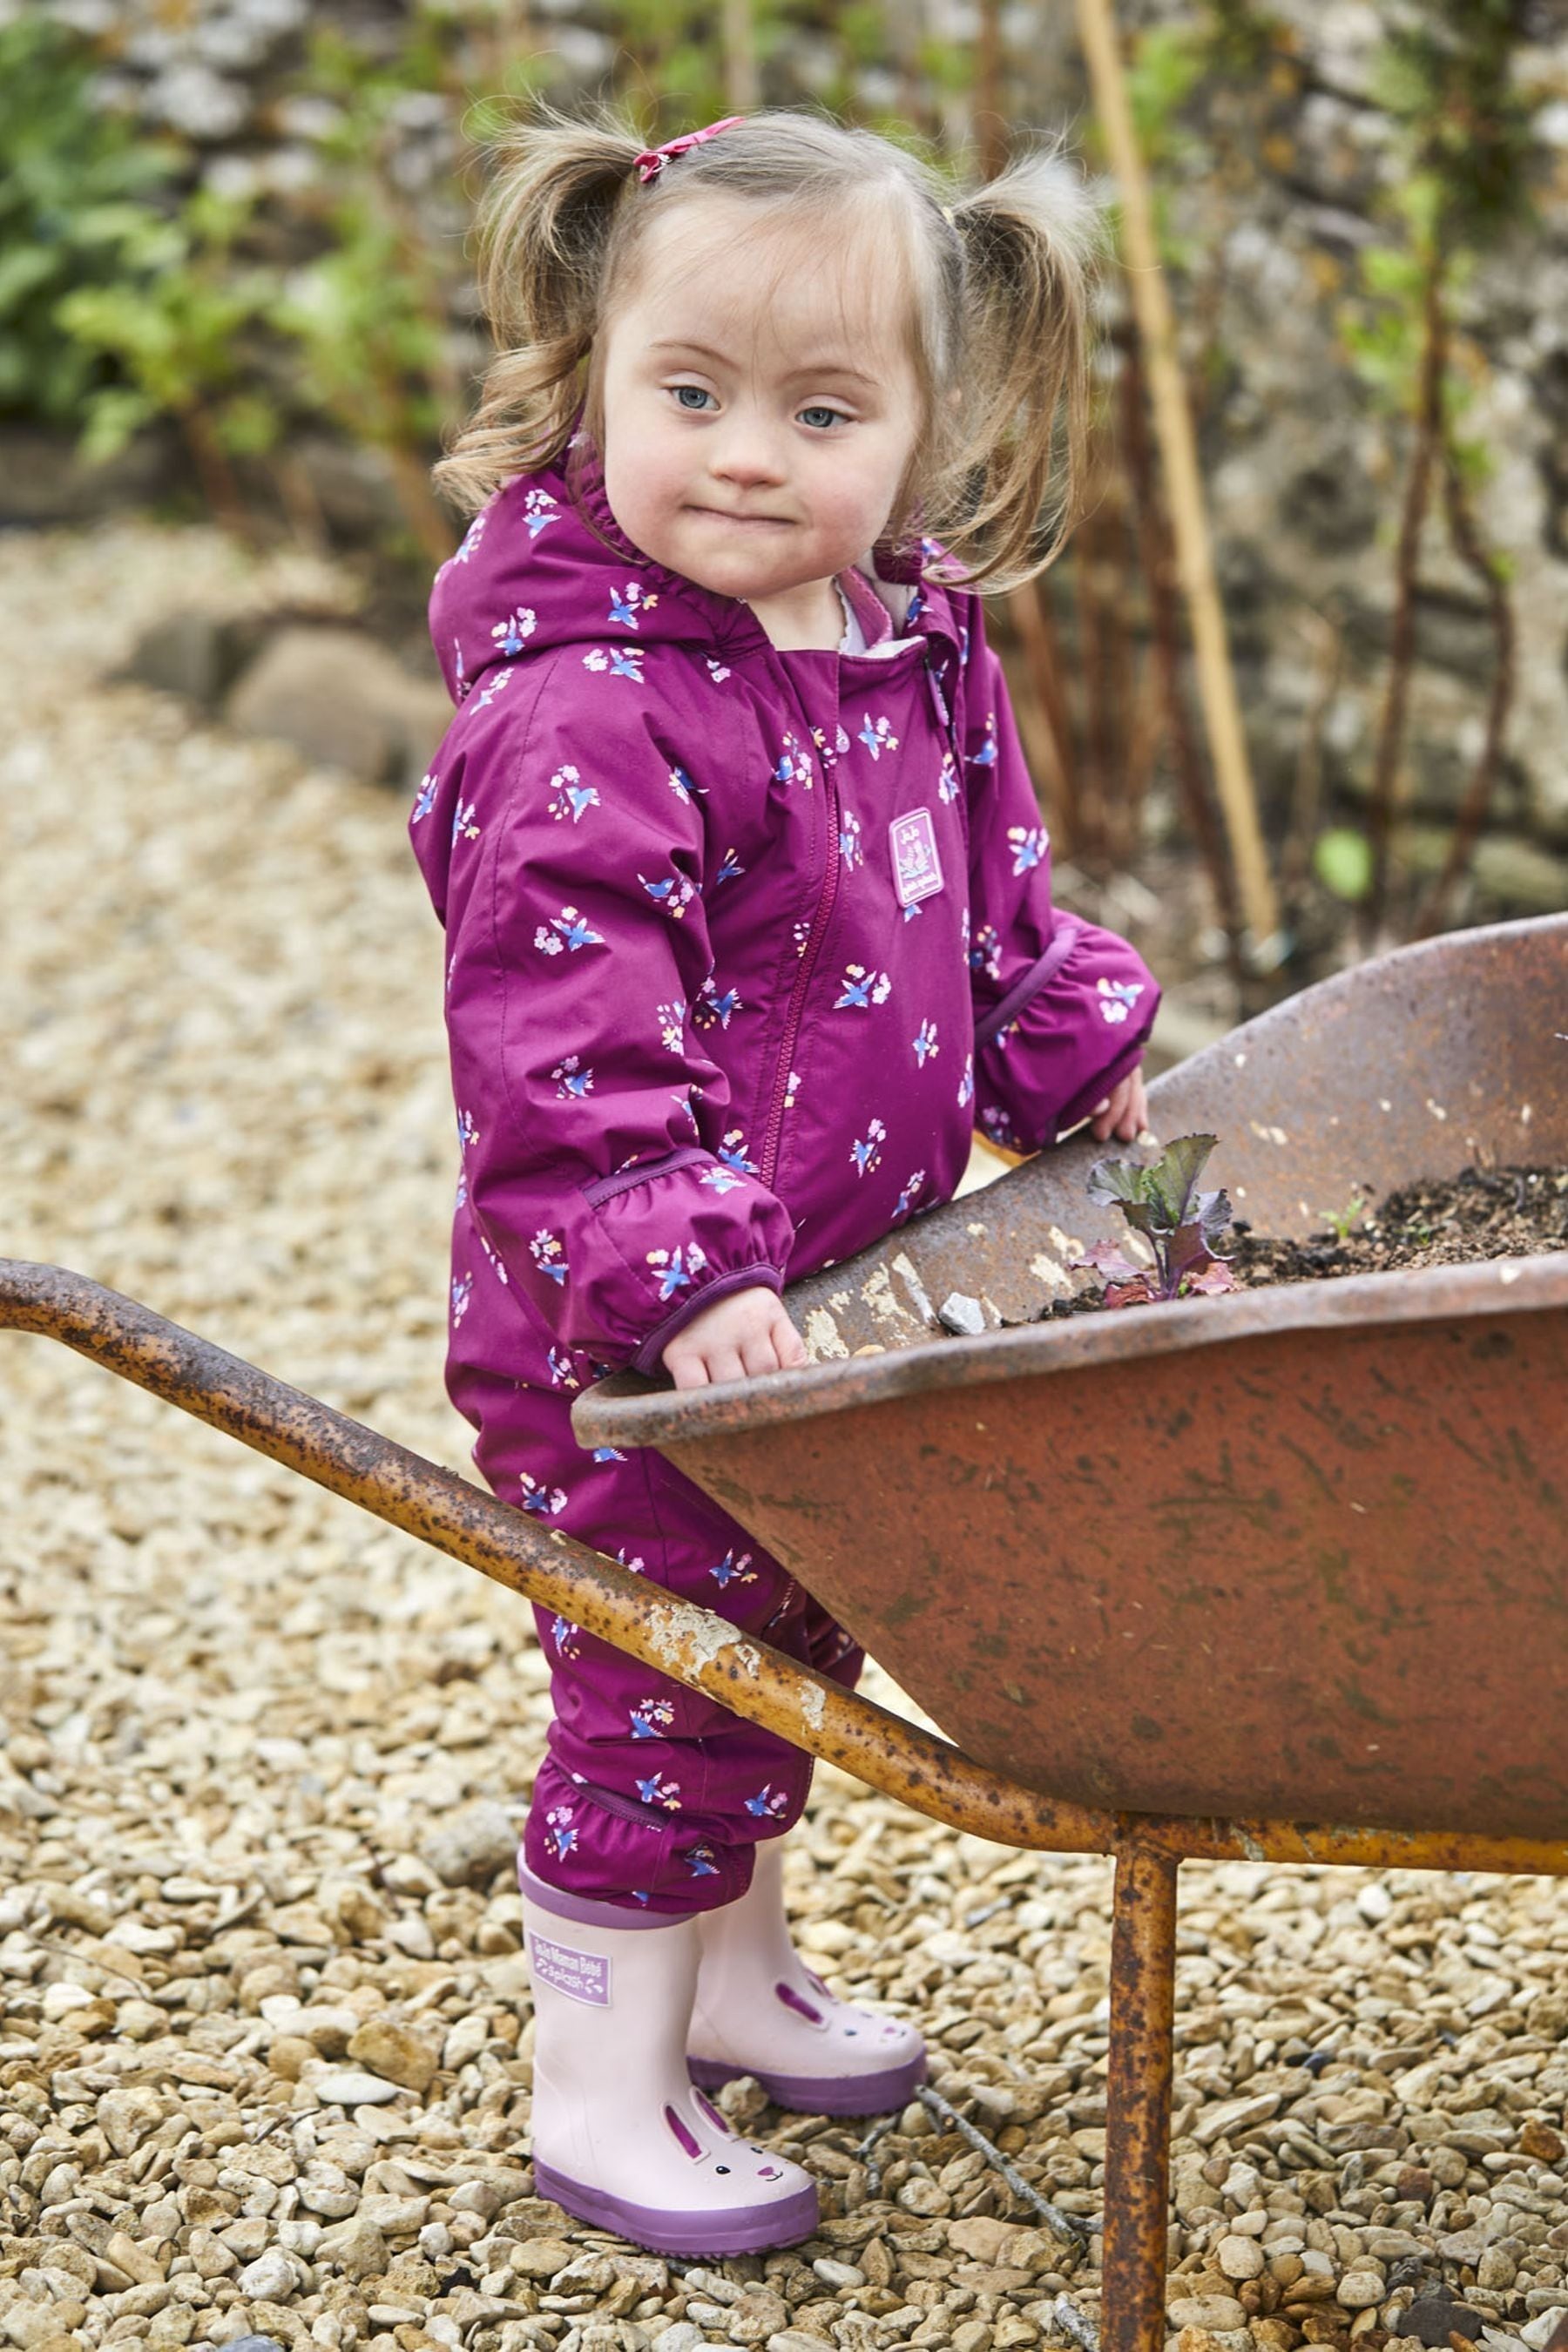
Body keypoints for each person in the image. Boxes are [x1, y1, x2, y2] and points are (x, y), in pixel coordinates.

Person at [409, 101, 1159, 2255]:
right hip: (642, 1341)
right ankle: (601, 2083)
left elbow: (988, 905)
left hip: (841, 1306)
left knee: (787, 1651)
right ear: (597, 382)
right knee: (668, 1687)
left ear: (927, 435)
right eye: (692, 395)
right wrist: (665, 1278)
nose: (748, 454)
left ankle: (729, 1980)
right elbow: (565, 1050)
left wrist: (1073, 1051)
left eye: (820, 410)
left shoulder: (907, 642)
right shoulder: (586, 718)